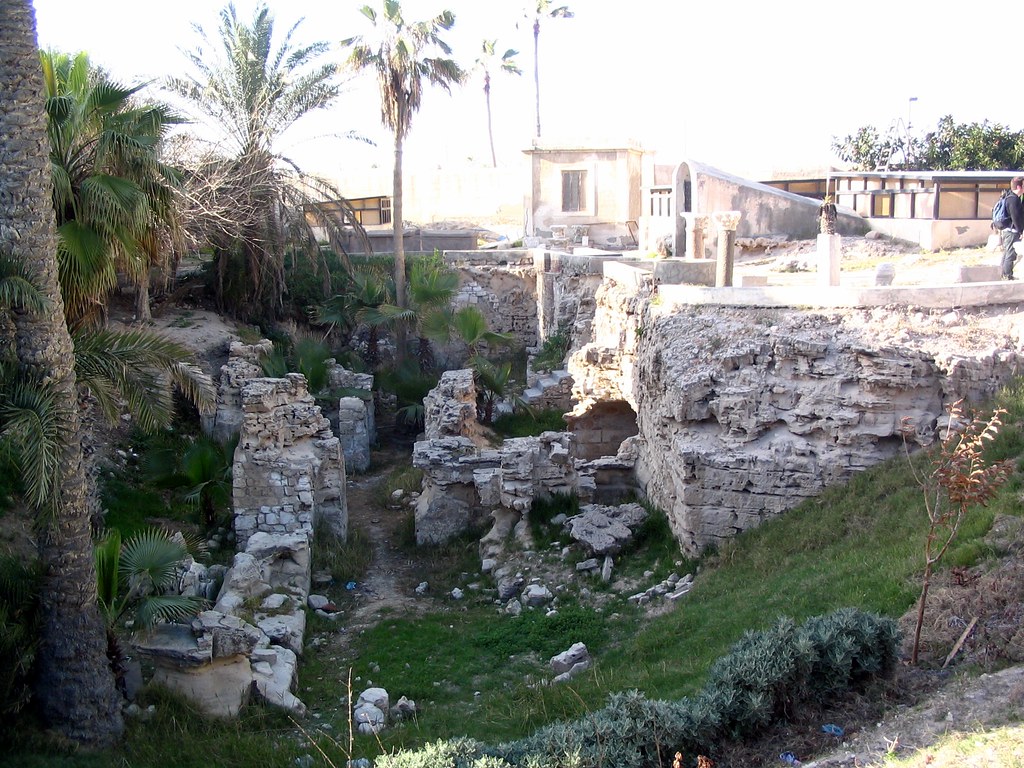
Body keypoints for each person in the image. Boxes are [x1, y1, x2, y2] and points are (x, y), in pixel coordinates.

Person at [1000, 176, 1024, 280]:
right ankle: (1007, 275)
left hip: (1009, 230)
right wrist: (1021, 231)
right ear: (1019, 187)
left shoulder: (1010, 197)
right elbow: (1016, 218)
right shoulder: (1013, 200)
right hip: (1011, 231)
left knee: (1007, 253)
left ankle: (1003, 274)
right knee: (1010, 254)